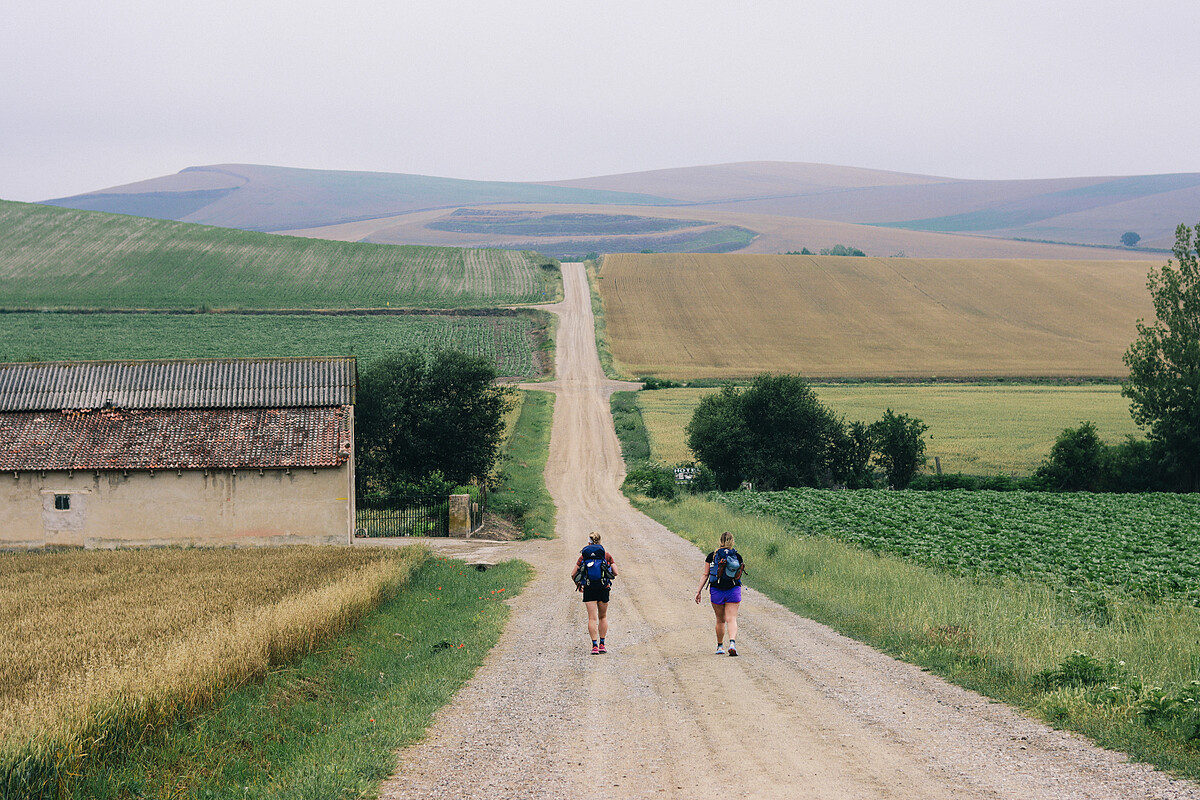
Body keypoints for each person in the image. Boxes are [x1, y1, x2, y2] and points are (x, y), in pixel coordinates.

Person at [694, 531, 744, 656]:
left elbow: (706, 574)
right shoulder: (737, 557)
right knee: (731, 618)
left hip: (716, 590)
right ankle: (732, 643)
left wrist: (698, 591)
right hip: (733, 590)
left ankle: (720, 646)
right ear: (732, 541)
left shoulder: (712, 556)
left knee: (720, 620)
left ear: (720, 541)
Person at [571, 532, 617, 654]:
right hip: (603, 587)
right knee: (603, 616)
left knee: (592, 618)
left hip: (589, 588)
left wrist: (579, 585)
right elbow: (615, 572)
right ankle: (602, 644)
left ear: (588, 543)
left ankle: (594, 646)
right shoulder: (606, 555)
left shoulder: (584, 557)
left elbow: (573, 574)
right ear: (600, 541)